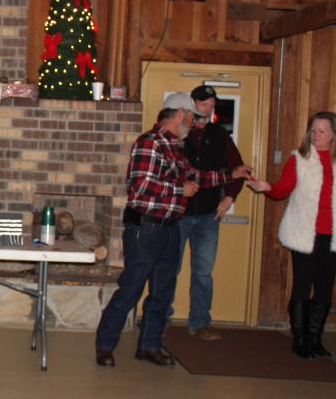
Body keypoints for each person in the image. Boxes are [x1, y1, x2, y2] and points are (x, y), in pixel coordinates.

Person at [94, 93, 250, 368]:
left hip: (169, 228)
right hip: (145, 228)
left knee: (163, 291)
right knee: (132, 288)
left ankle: (150, 346)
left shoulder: (175, 148)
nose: (193, 122)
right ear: (179, 115)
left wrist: (230, 175)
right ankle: (105, 345)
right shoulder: (149, 143)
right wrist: (179, 189)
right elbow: (140, 186)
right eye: (191, 117)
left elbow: (196, 177)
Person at [247, 112, 336, 359]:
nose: (315, 135)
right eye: (313, 130)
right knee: (302, 286)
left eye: (322, 131)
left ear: (334, 134)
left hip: (335, 236)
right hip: (304, 233)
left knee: (324, 288)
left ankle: (315, 338)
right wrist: (268, 187)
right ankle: (300, 339)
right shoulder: (299, 159)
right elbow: (283, 189)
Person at [176, 85, 245, 340]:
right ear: (192, 103)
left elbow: (238, 168)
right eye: (204, 104)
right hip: (178, 213)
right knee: (170, 268)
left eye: (212, 105)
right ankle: (159, 320)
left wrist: (229, 197)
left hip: (208, 215)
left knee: (203, 272)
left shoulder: (220, 134)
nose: (208, 108)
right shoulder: (179, 131)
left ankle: (200, 322)